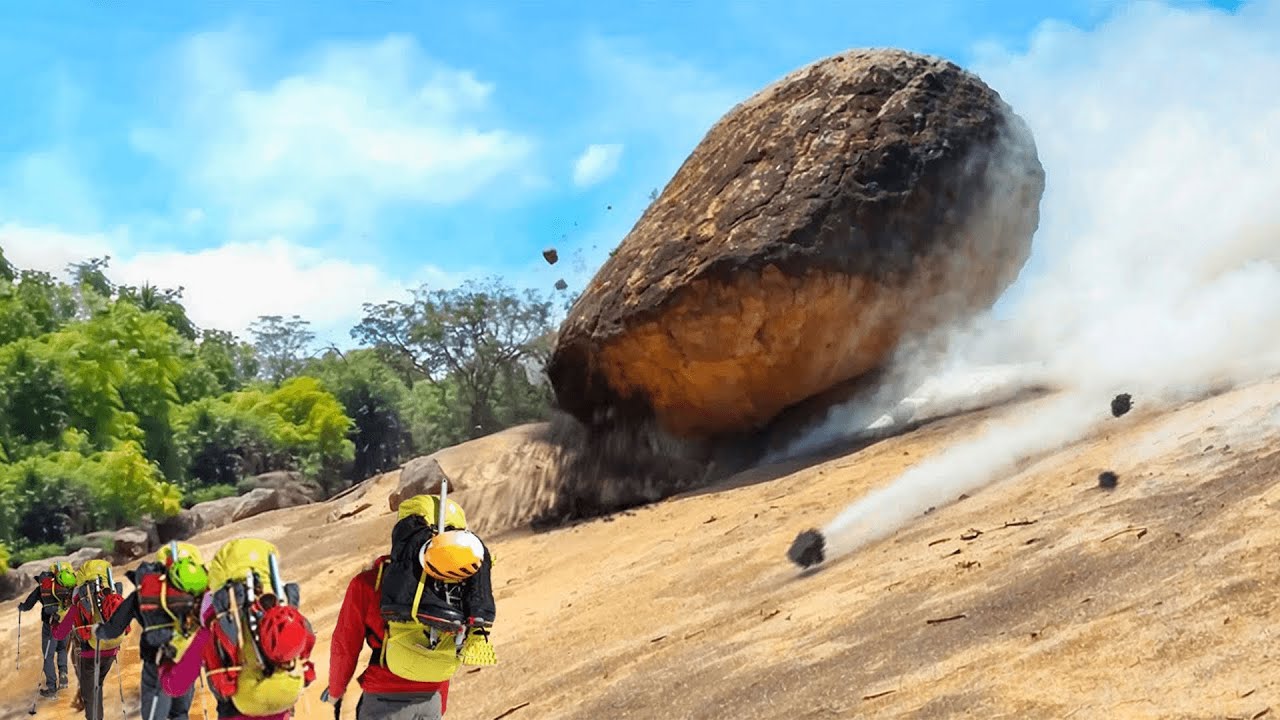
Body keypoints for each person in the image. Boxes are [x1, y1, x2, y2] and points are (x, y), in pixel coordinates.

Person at [325, 493, 497, 719]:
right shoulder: (463, 586)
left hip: (383, 700)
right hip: (432, 697)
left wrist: (336, 692)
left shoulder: (370, 583)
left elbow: (345, 646)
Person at [158, 538, 318, 720]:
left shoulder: (216, 628)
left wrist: (165, 665)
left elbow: (176, 685)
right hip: (282, 710)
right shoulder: (285, 618)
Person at [96, 542, 208, 720]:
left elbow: (114, 628)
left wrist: (99, 632)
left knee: (156, 715)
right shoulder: (199, 589)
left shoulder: (146, 590)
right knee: (180, 712)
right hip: (187, 657)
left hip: (157, 659)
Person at [54, 559, 130, 720]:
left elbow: (60, 634)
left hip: (90, 653)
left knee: (92, 696)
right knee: (96, 685)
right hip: (111, 651)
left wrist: (55, 623)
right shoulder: (114, 596)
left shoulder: (80, 601)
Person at [16, 561, 76, 697]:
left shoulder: (43, 587)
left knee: (48, 655)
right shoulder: (69, 587)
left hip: (50, 624)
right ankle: (63, 675)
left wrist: (21, 607)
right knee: (62, 649)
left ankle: (51, 688)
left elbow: (28, 605)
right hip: (64, 622)